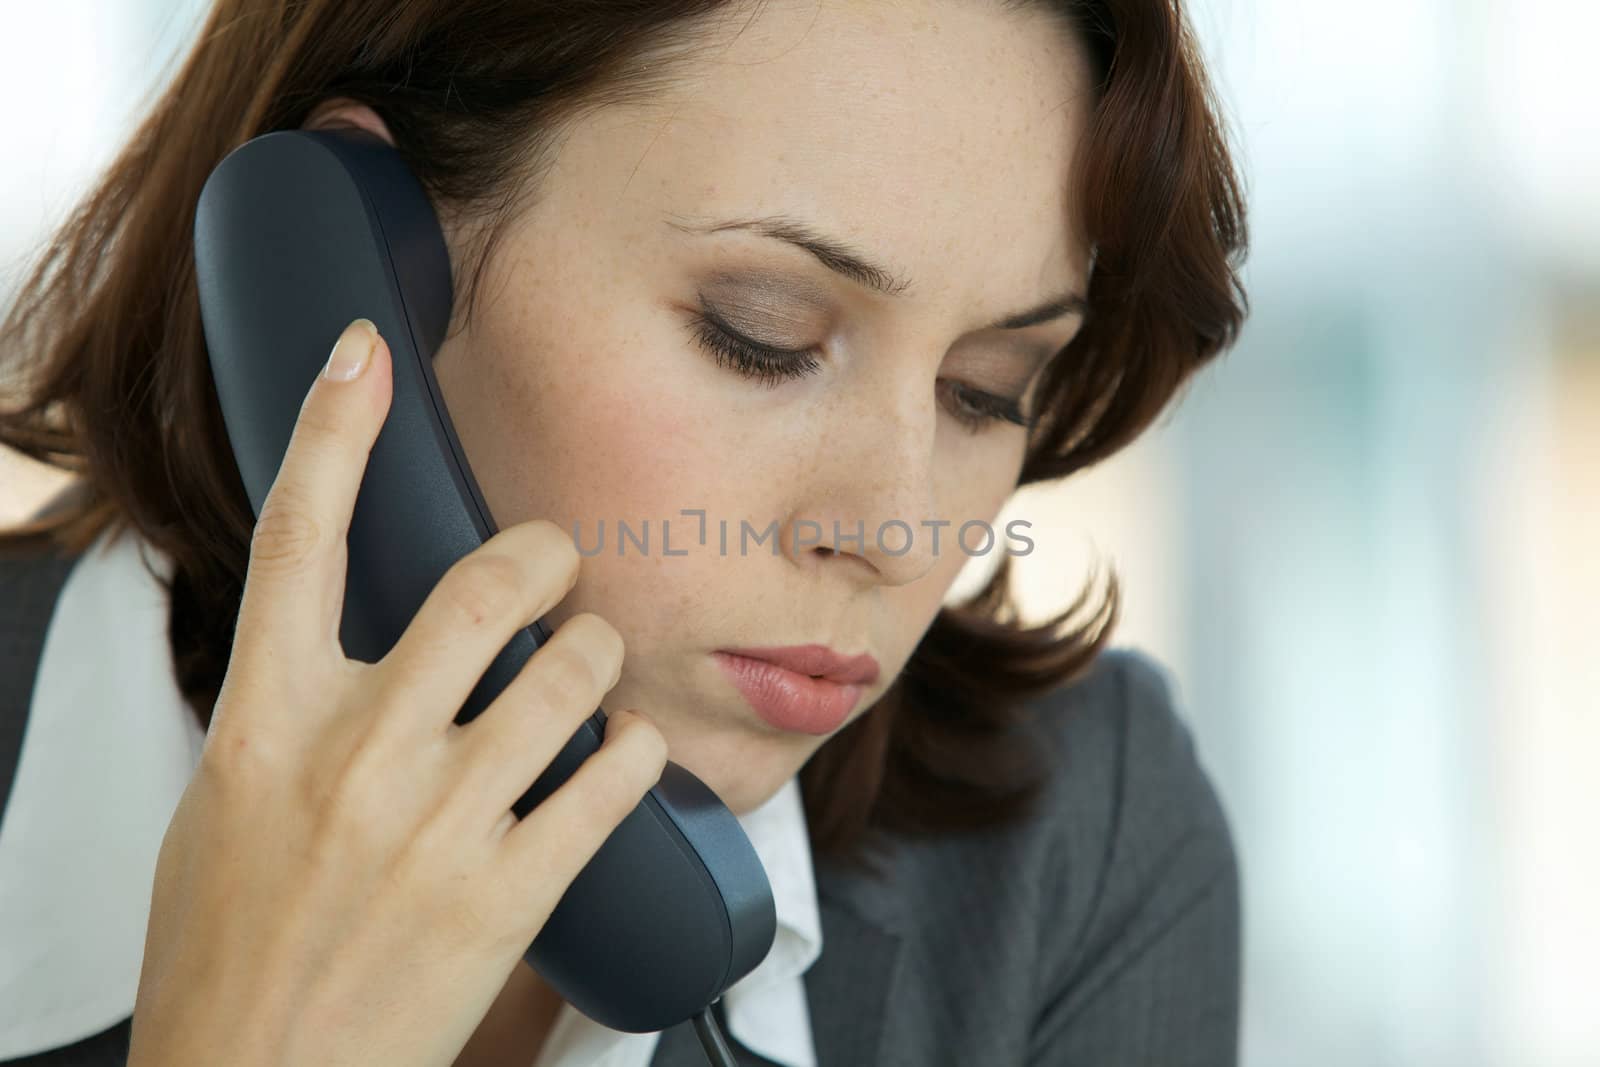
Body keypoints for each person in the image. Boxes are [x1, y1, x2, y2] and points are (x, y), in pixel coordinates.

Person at [0, 0, 1250, 1063]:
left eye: (986, 388)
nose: (901, 532)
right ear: (352, 265)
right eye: (759, 334)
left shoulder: (1084, 836)